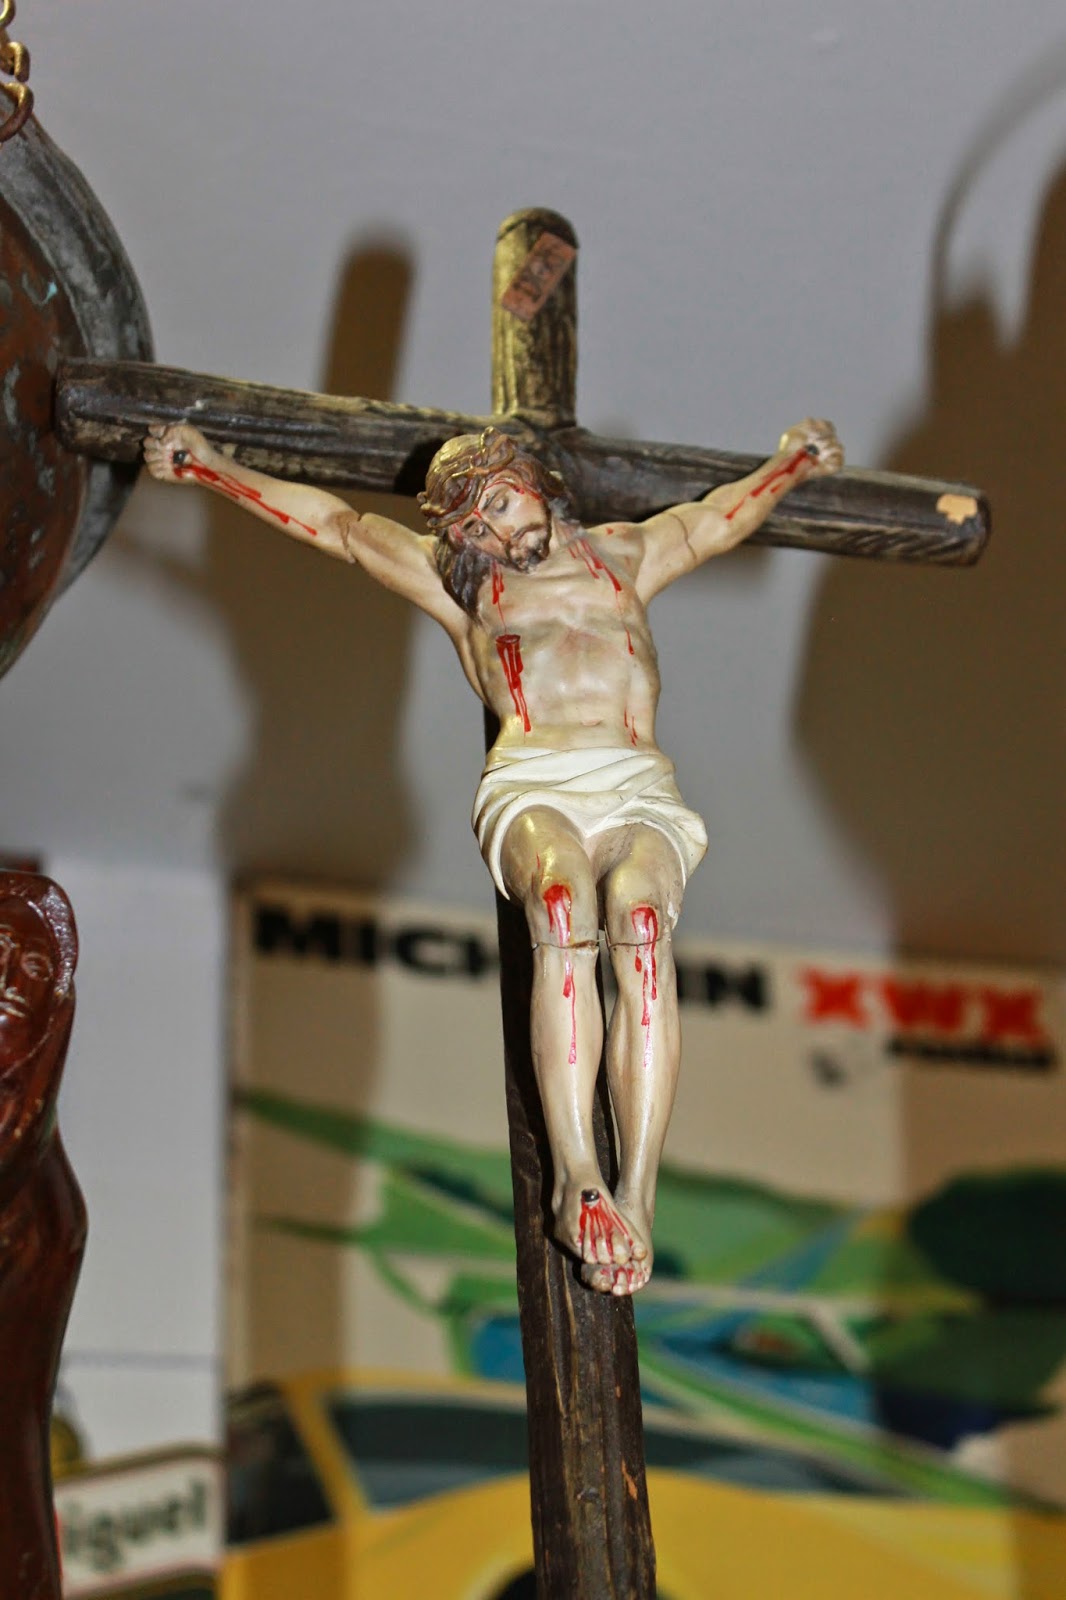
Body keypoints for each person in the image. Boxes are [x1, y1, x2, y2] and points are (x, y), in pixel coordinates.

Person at [144, 416, 843, 1294]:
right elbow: (338, 527)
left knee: (639, 925)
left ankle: (637, 1194)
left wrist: (791, 464)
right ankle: (576, 1176)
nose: (501, 537)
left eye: (503, 507)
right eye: (476, 528)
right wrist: (213, 468)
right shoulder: (460, 586)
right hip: (535, 784)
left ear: (535, 481)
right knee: (562, 907)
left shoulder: (624, 556)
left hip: (635, 785)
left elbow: (713, 522)